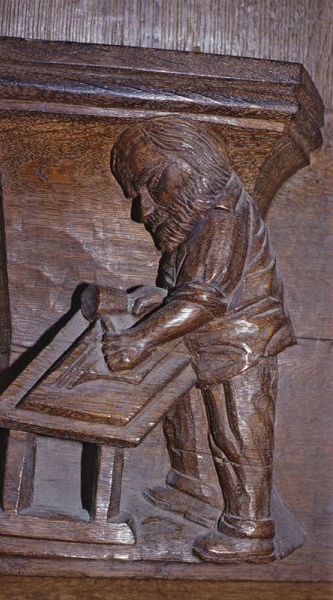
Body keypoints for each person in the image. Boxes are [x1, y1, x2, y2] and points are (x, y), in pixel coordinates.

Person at [102, 116, 296, 563]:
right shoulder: (190, 222)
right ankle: (195, 487)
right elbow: (183, 291)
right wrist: (154, 305)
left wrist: (139, 341)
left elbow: (203, 298)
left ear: (193, 162)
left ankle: (250, 529)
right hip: (205, 342)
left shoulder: (218, 216)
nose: (144, 210)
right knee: (181, 413)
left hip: (242, 343)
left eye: (153, 184)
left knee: (237, 434)